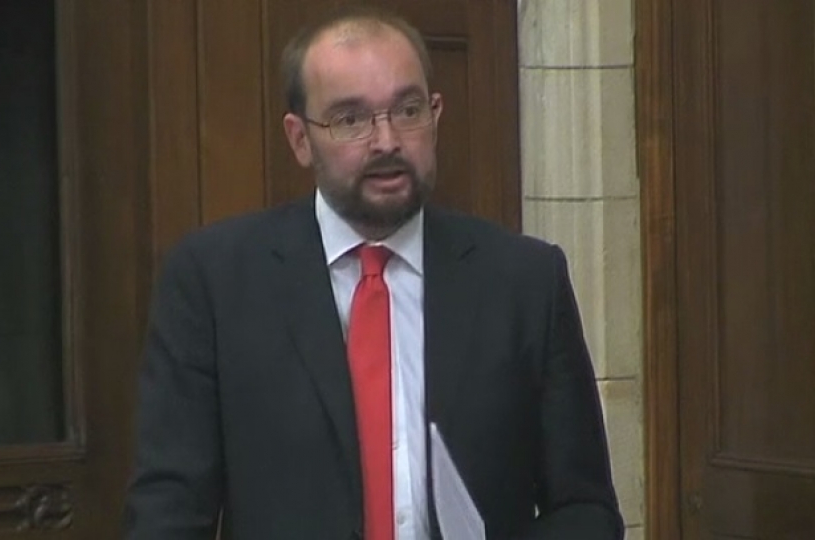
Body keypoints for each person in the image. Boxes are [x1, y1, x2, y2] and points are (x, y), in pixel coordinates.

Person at [123, 5, 623, 540]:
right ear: (299, 139)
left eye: (407, 110)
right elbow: (168, 513)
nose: (386, 141)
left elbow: (585, 512)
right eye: (351, 119)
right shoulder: (215, 282)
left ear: (435, 115)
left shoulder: (525, 281)